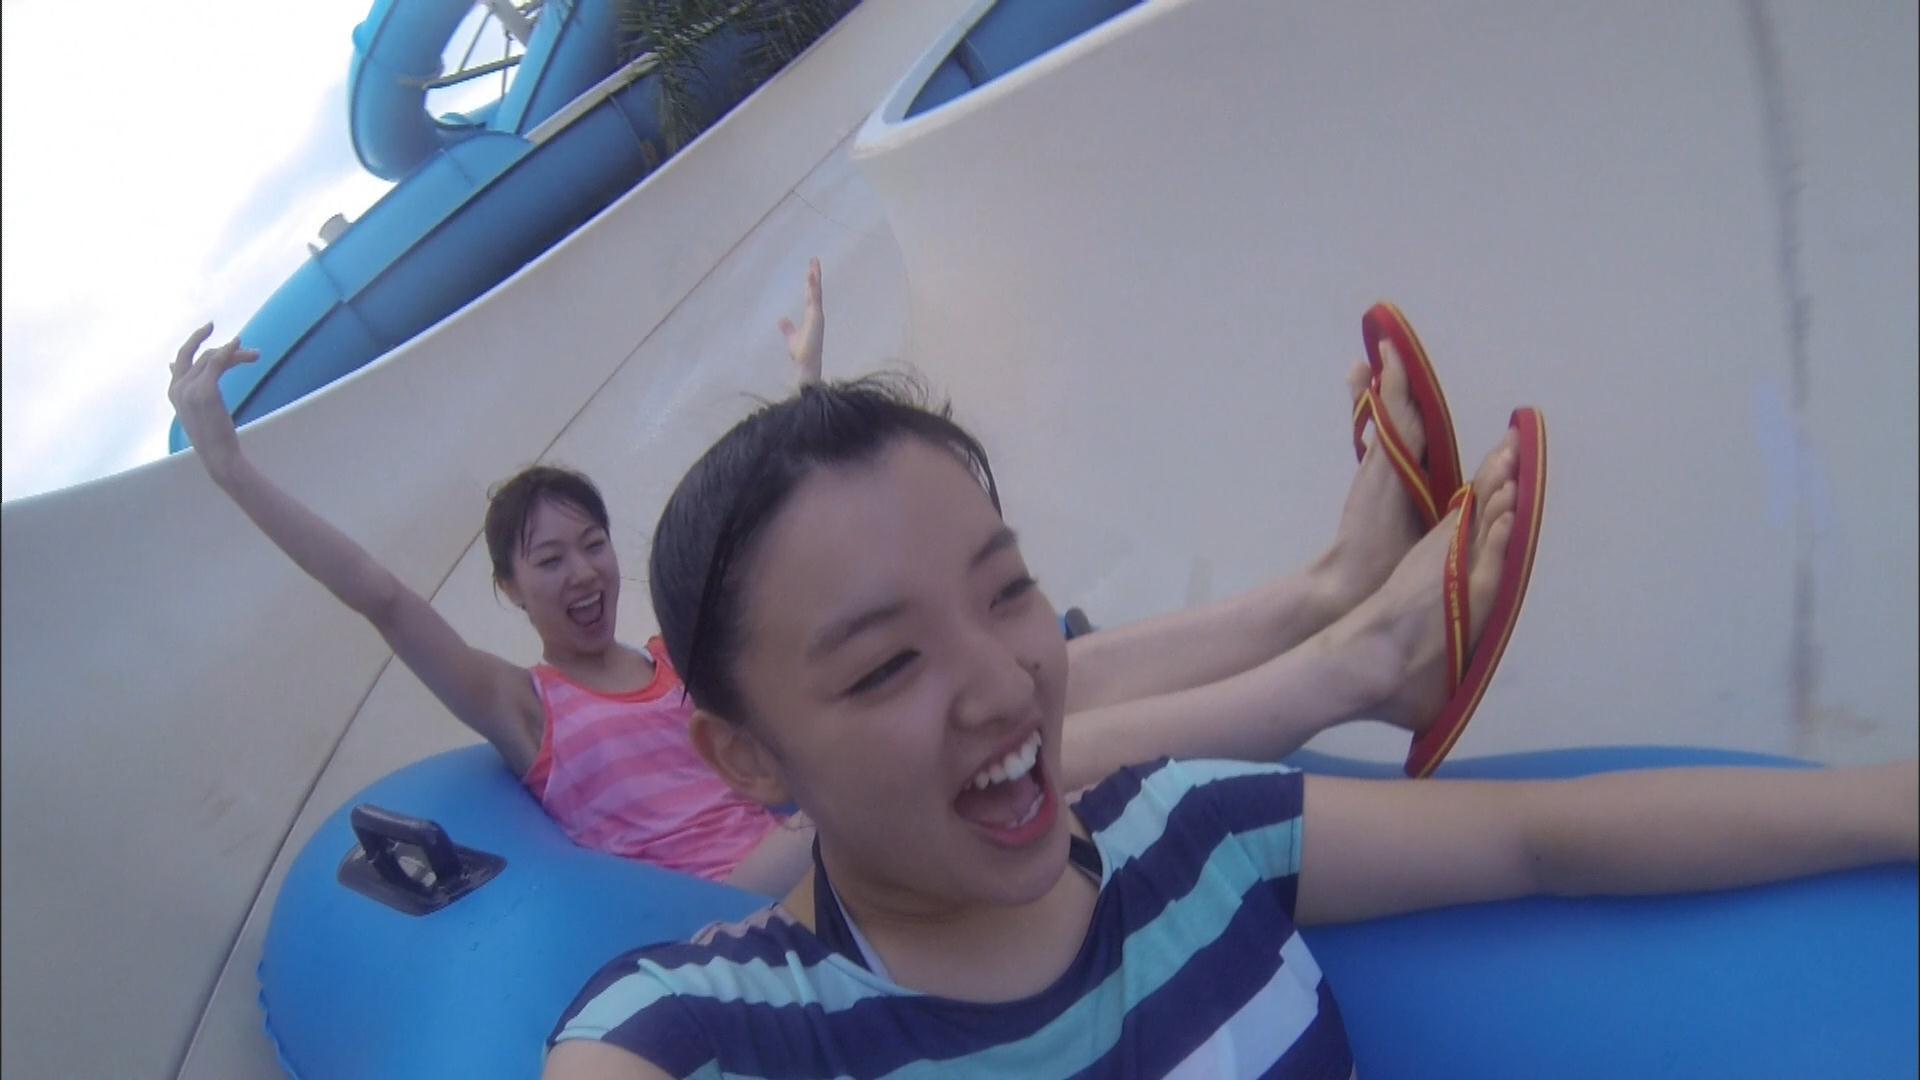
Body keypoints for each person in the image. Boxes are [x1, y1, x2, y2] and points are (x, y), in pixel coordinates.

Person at [542, 373, 1917, 1079]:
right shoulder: (721, 1030)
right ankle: (1363, 638)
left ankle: (1353, 616)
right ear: (748, 756)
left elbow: (1538, 838)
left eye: (1009, 592)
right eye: (888, 664)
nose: (1005, 684)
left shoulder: (1188, 829)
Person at [169, 263, 1496, 895]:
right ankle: (1370, 666)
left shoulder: (683, 658)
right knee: (1037, 737)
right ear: (512, 592)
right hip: (755, 870)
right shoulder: (528, 709)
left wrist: (809, 374)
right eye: (547, 559)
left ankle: (1333, 585)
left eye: (590, 543)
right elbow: (381, 597)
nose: (580, 572)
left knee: (1049, 668)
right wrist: (227, 467)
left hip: (818, 794)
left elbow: (798, 547)